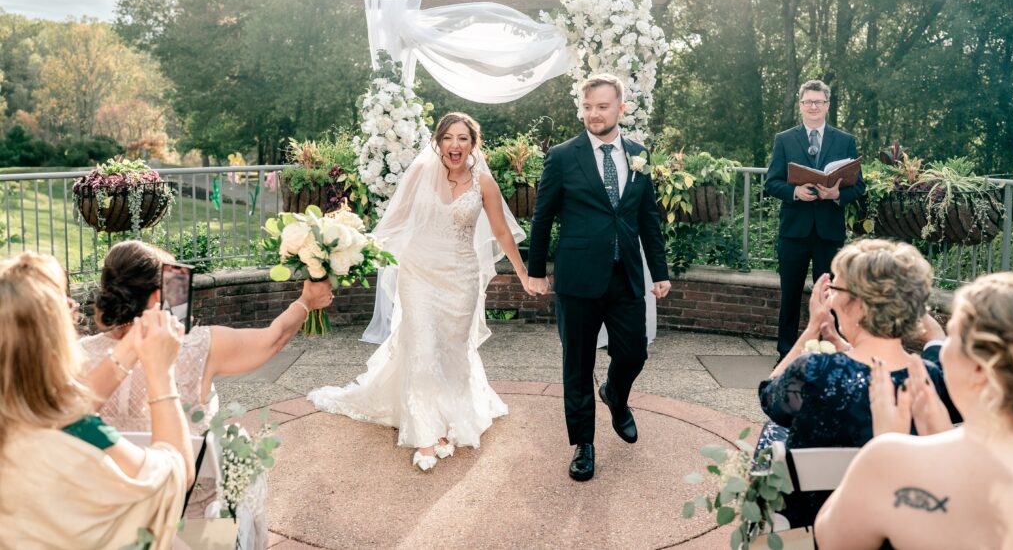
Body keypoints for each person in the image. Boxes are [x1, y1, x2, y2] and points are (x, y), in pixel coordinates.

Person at [308, 112, 531, 472]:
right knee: (423, 348)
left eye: (463, 138)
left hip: (461, 277)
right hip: (419, 274)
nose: (455, 145)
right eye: (448, 138)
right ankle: (426, 435)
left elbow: (502, 233)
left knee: (452, 352)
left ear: (473, 144)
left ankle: (448, 422)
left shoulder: (483, 184)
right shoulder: (419, 173)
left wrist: (523, 273)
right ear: (438, 142)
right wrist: (349, 252)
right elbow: (393, 222)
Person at [79, 239, 333, 550]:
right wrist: (306, 301)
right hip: (194, 527)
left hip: (108, 524)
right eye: (175, 280)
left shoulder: (77, 356)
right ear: (161, 294)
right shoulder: (198, 346)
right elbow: (273, 339)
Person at [527, 73, 671, 482]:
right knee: (577, 362)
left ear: (620, 109)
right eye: (588, 107)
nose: (593, 114)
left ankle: (616, 395)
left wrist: (658, 272)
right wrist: (536, 271)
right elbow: (543, 217)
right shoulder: (561, 156)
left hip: (626, 274)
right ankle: (583, 444)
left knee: (634, 353)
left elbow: (647, 218)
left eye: (602, 107)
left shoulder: (639, 153)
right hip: (577, 279)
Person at [816, 272, 1013, 549]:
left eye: (951, 335)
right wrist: (943, 435)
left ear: (978, 368)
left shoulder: (890, 459)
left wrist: (886, 449)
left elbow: (830, 542)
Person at [0, 252, 193, 550]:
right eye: (61, 300)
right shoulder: (80, 431)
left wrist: (131, 346)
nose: (72, 306)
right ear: (49, 336)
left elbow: (61, 407)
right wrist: (160, 371)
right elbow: (172, 475)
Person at [757, 239, 956, 526]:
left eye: (836, 289)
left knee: (773, 431)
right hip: (898, 530)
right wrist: (840, 343)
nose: (832, 298)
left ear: (860, 306)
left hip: (815, 526)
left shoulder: (814, 372)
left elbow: (768, 397)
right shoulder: (929, 380)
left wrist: (811, 330)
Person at [765, 79, 865, 359]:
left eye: (818, 102)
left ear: (827, 106)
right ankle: (786, 351)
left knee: (829, 296)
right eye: (808, 101)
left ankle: (827, 350)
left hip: (828, 232)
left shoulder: (845, 140)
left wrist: (835, 194)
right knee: (791, 295)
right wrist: (794, 191)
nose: (813, 107)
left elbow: (858, 187)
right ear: (801, 105)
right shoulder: (784, 139)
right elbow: (771, 183)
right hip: (793, 232)